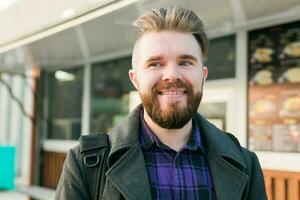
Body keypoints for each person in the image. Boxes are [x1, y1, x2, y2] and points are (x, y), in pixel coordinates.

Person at [56, 7, 267, 200]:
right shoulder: (85, 164)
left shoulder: (246, 164)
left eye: (185, 62)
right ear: (135, 79)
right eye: (155, 63)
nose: (172, 75)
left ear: (203, 75)